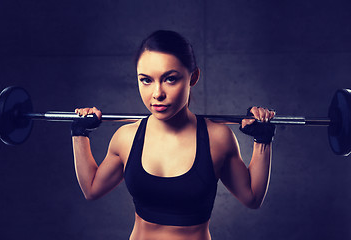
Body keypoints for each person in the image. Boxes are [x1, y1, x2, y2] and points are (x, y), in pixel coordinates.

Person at [72, 30, 276, 240]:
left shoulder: (218, 138)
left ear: (193, 77)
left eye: (170, 79)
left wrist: (262, 140)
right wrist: (79, 133)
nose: (157, 93)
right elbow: (92, 189)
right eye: (146, 80)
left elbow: (252, 198)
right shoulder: (126, 137)